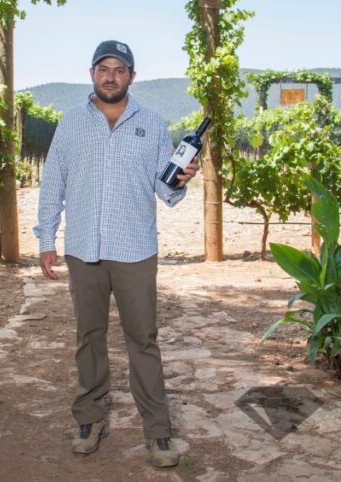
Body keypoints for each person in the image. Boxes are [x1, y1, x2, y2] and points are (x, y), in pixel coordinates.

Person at [33, 40, 200, 468]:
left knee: (143, 340)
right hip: (83, 249)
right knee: (88, 338)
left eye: (120, 69)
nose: (111, 75)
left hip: (134, 251)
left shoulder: (153, 124)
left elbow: (165, 190)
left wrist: (181, 179)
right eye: (104, 68)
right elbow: (53, 183)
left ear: (132, 76)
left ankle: (158, 432)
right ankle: (90, 420)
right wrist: (46, 239)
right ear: (92, 73)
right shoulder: (70, 123)